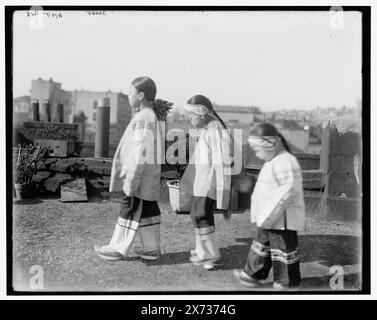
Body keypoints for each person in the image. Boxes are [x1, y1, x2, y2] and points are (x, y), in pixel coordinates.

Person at [95, 76, 163, 261]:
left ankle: (117, 248)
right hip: (147, 177)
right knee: (148, 210)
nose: (127, 96)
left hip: (139, 177)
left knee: (130, 208)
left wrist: (132, 180)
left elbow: (140, 152)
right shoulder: (149, 116)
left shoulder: (144, 118)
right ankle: (151, 249)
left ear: (140, 95)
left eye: (130, 92)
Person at [233, 123, 305, 290]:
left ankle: (287, 283)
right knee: (261, 244)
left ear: (269, 144)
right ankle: (252, 275)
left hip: (281, 218)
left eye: (258, 150)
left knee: (283, 249)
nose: (257, 155)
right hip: (270, 216)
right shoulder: (273, 159)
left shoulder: (286, 161)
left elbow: (289, 189)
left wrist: (269, 215)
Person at [181, 95, 232, 270]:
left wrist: (222, 189)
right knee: (198, 214)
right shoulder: (208, 128)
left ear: (201, 113)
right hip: (202, 183)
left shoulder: (214, 130)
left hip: (209, 184)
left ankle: (210, 255)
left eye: (191, 114)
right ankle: (202, 251)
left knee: (201, 215)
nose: (189, 118)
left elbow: (222, 162)